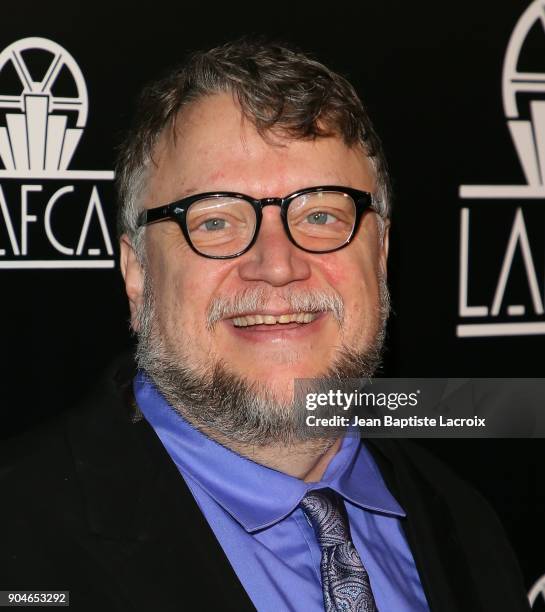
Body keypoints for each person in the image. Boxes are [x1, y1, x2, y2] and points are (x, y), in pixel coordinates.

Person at [0, 40, 530, 612]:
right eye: (217, 220)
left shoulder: (464, 522)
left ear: (379, 256)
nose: (277, 265)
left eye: (322, 214)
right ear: (137, 272)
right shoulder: (20, 547)